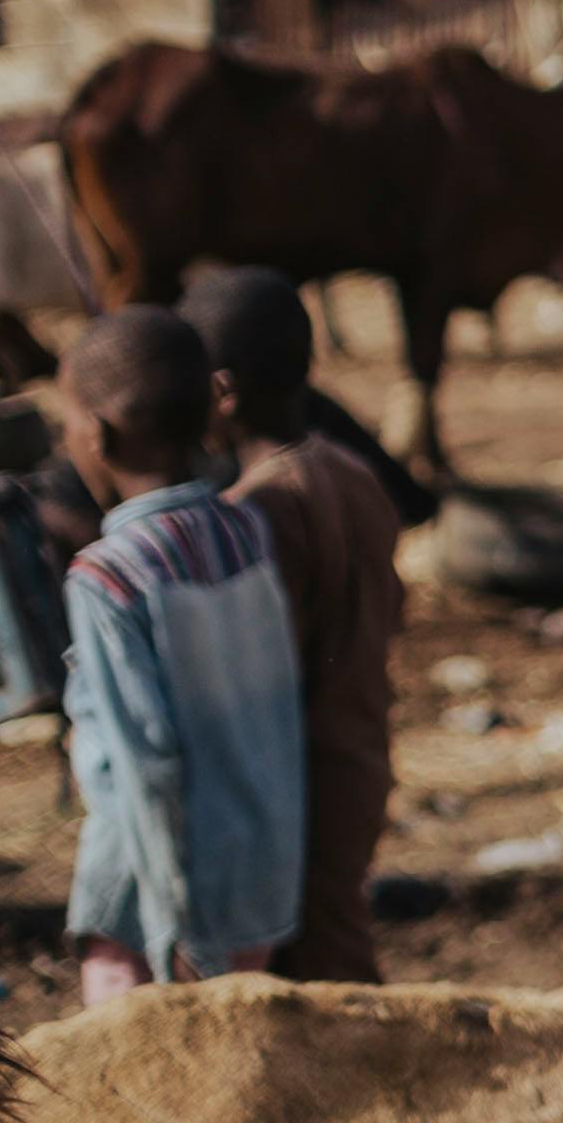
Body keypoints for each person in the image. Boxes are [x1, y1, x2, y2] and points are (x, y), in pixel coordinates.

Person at [51, 308, 299, 1002]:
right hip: (257, 860)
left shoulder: (107, 575)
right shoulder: (247, 529)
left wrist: (177, 927)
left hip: (153, 886)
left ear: (96, 434)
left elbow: (146, 764)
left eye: (66, 417)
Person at [191, 266, 403, 982]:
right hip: (360, 758)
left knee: (324, 979)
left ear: (220, 391)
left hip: (300, 780)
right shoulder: (352, 472)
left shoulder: (256, 512)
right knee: (334, 936)